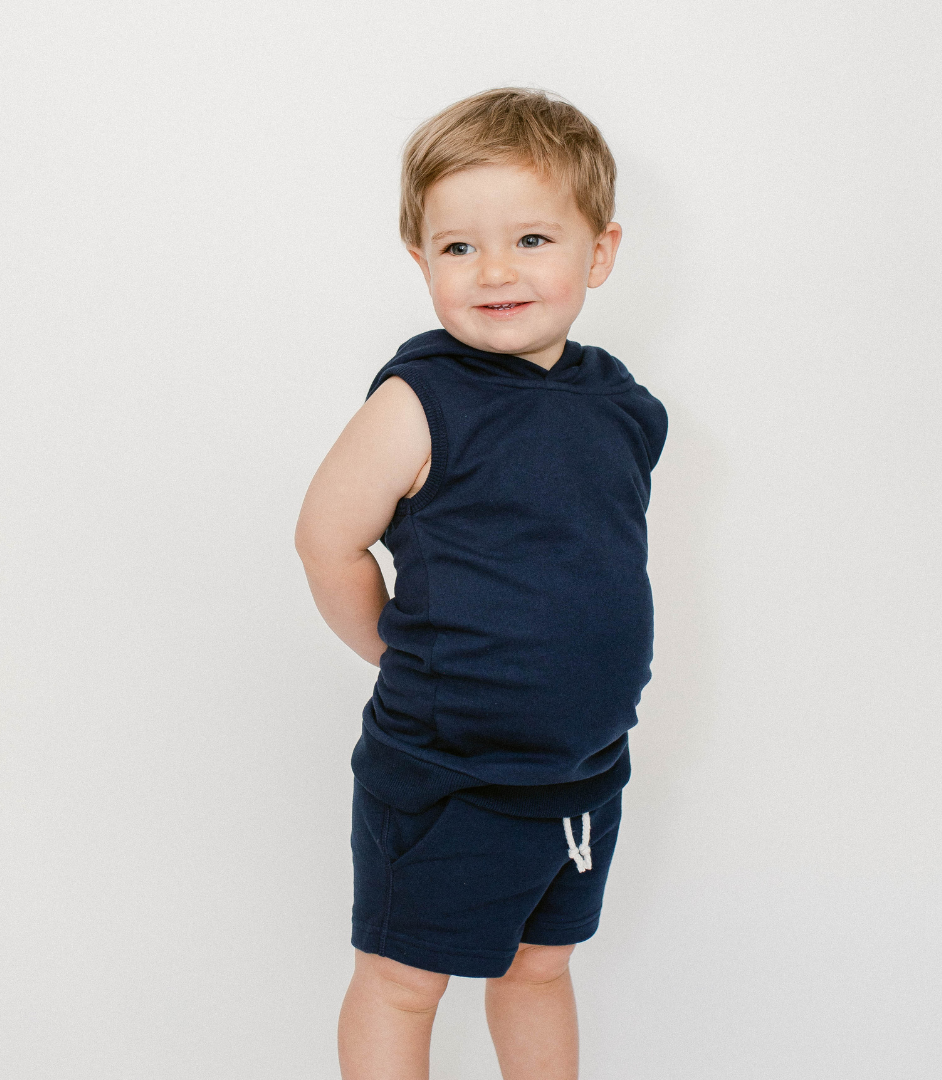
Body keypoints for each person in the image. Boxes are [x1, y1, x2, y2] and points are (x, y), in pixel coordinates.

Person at [295, 87, 668, 1080]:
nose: (495, 270)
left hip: (583, 770)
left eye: (532, 239)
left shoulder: (624, 406)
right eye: (458, 247)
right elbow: (327, 541)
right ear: (422, 261)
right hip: (447, 772)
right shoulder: (419, 400)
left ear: (599, 252)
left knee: (540, 967)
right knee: (404, 979)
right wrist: (392, 648)